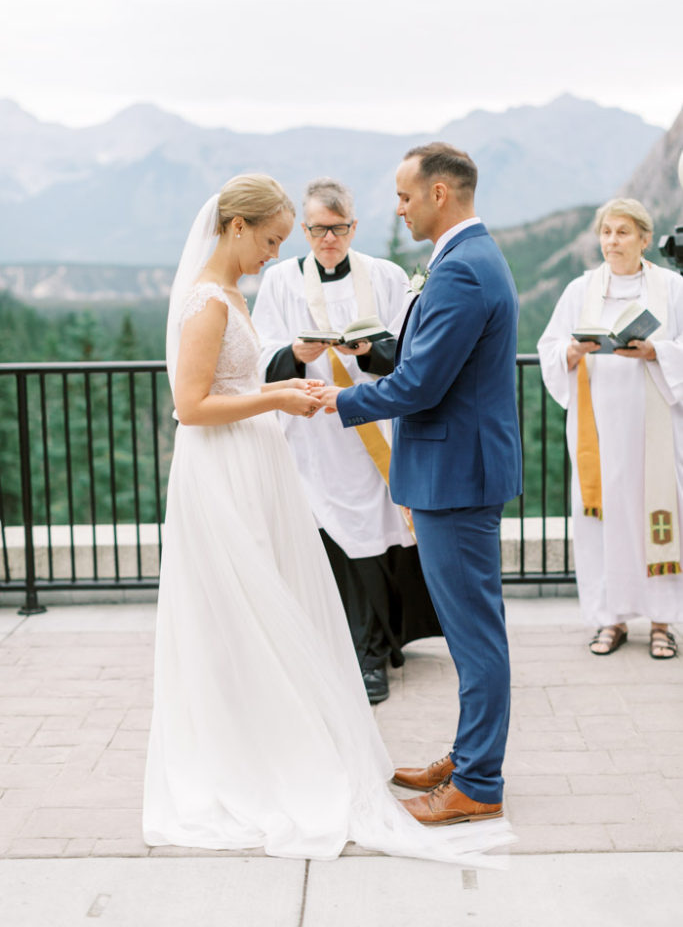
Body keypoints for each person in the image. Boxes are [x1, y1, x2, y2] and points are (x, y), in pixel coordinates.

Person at [142, 173, 513, 861]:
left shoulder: (239, 293)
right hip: (225, 469)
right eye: (277, 239)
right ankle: (455, 765)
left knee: (283, 606)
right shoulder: (211, 300)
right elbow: (191, 406)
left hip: (301, 460)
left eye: (296, 238)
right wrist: (287, 394)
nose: (278, 254)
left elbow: (419, 377)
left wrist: (312, 396)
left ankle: (475, 772)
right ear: (236, 228)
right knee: (238, 612)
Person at [317, 143, 522, 827]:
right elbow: (423, 359)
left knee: (474, 635)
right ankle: (468, 759)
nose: (396, 208)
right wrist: (372, 353)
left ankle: (478, 784)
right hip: (454, 469)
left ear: (439, 193)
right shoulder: (464, 259)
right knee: (473, 630)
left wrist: (331, 404)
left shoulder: (461, 269)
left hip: (455, 476)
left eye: (404, 195)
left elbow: (423, 385)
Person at [252, 177, 441, 704]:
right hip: (312, 436)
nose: (327, 239)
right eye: (317, 229)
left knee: (374, 538)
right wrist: (295, 352)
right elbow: (262, 349)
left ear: (353, 226)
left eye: (337, 229)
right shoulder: (282, 283)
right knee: (327, 541)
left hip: (371, 433)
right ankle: (340, 648)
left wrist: (367, 353)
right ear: (305, 230)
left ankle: (375, 650)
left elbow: (409, 346)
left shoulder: (383, 275)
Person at [538, 198, 683, 659]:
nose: (612, 241)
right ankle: (610, 621)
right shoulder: (581, 290)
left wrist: (656, 352)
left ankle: (663, 623)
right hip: (597, 429)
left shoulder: (673, 288)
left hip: (655, 429)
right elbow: (550, 345)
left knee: (658, 518)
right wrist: (573, 352)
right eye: (606, 232)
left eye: (623, 232)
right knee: (599, 522)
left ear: (644, 238)